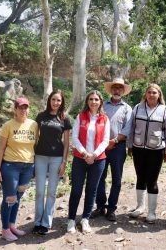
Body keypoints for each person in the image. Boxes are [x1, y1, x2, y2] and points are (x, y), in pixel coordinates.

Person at [127, 83, 166, 223]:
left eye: (155, 92)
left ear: (159, 95)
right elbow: (131, 127)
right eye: (149, 92)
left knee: (152, 181)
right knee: (140, 178)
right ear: (145, 94)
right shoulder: (137, 108)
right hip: (138, 148)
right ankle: (140, 207)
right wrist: (130, 146)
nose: (152, 95)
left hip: (156, 150)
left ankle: (152, 212)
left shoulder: (165, 110)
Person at [0, 97, 39, 242]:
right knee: (10, 198)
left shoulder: (34, 125)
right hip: (10, 166)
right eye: (20, 107)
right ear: (15, 109)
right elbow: (1, 149)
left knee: (18, 196)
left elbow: (36, 147)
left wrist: (35, 167)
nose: (23, 110)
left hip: (27, 167)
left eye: (25, 107)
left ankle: (12, 225)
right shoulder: (8, 125)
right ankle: (5, 229)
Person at [67, 90, 110, 234]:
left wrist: (94, 154)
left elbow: (105, 140)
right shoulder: (81, 116)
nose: (93, 102)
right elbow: (75, 137)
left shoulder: (105, 119)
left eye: (96, 99)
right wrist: (85, 153)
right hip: (80, 158)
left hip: (98, 160)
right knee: (76, 190)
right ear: (87, 101)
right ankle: (71, 220)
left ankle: (85, 219)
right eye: (91, 99)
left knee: (91, 190)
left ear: (100, 102)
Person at [91, 78, 132, 222]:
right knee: (99, 177)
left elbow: (128, 128)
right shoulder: (102, 106)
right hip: (101, 146)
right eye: (114, 87)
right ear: (111, 89)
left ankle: (112, 209)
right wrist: (103, 143)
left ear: (123, 91)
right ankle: (100, 206)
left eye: (119, 88)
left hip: (118, 147)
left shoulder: (127, 108)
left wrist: (114, 141)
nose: (117, 90)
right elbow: (96, 123)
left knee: (117, 179)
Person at [33, 90, 72, 235]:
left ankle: (46, 223)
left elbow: (67, 143)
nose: (56, 103)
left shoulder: (64, 118)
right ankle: (37, 222)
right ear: (49, 100)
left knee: (51, 192)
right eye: (54, 99)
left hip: (56, 158)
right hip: (40, 157)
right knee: (39, 192)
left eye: (59, 100)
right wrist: (32, 158)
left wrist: (64, 162)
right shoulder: (40, 116)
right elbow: (35, 138)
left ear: (62, 103)